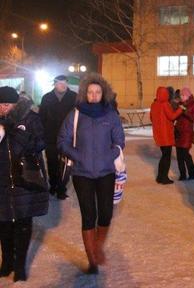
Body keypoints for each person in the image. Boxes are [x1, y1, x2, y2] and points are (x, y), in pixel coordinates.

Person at [57, 74, 125, 275]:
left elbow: (119, 141)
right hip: (82, 173)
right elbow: (62, 141)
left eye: (97, 92)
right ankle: (92, 260)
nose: (94, 95)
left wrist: (109, 155)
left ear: (103, 94)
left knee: (105, 213)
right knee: (89, 216)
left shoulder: (111, 115)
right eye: (90, 92)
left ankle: (97, 246)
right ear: (84, 94)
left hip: (106, 171)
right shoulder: (75, 114)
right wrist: (78, 156)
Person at [0, 87, 48, 282]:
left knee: (22, 223)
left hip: (24, 178)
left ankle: (20, 265)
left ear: (16, 103)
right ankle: (7, 262)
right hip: (2, 179)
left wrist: (14, 131)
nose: (3, 108)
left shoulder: (30, 119)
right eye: (0, 104)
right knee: (3, 223)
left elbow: (39, 144)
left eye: (7, 104)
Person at [38, 74, 77, 199]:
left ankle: (61, 188)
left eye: (65, 83)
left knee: (66, 164)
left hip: (68, 137)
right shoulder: (47, 98)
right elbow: (41, 118)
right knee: (52, 162)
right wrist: (41, 134)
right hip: (50, 137)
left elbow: (78, 117)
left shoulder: (74, 97)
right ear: (55, 84)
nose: (63, 85)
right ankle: (53, 185)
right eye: (60, 83)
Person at [150, 86, 183, 184]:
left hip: (158, 134)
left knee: (164, 156)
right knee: (166, 157)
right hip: (166, 135)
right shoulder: (165, 104)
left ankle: (160, 177)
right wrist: (180, 109)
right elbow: (172, 116)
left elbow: (152, 118)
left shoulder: (154, 104)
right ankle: (164, 177)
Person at [175, 88, 194, 181]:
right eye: (181, 95)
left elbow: (193, 118)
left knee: (185, 154)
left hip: (187, 133)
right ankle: (182, 175)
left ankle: (192, 174)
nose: (182, 97)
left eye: (183, 95)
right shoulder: (179, 104)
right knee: (179, 155)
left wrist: (185, 110)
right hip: (178, 133)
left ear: (188, 96)